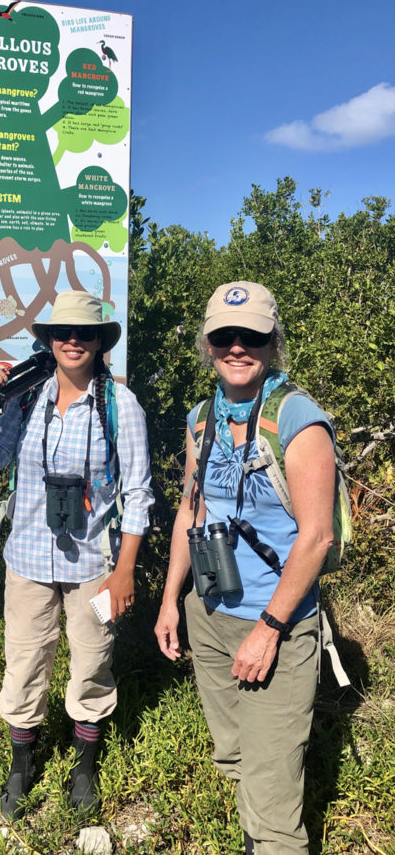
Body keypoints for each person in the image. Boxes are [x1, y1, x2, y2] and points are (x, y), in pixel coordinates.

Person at [154, 281, 336, 855]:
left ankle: (269, 841)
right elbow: (193, 508)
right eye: (224, 336)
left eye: (252, 335)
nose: (238, 346)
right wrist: (170, 601)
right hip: (209, 612)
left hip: (274, 624)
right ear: (208, 344)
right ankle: (249, 834)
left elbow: (317, 537)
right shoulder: (201, 417)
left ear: (272, 341)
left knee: (275, 790)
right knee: (234, 755)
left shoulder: (297, 419)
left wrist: (269, 630)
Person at [0, 290, 153, 819]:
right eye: (62, 332)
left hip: (94, 569)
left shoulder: (122, 406)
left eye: (85, 333)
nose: (74, 341)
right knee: (24, 663)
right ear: (49, 340)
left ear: (100, 342)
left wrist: (124, 572)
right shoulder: (25, 400)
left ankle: (84, 765)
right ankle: (21, 765)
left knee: (93, 662)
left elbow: (138, 494)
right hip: (26, 560)